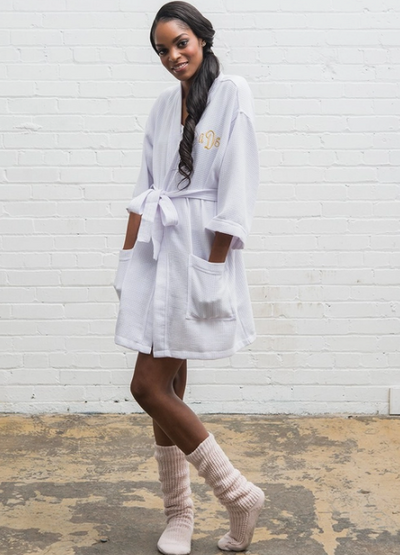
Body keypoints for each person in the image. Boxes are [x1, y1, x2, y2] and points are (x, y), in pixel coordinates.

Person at [113, 2, 263, 554]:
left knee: (146, 387)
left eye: (181, 42)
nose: (173, 56)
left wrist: (213, 267)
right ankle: (180, 514)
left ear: (201, 37)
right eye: (162, 50)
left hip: (198, 251)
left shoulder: (231, 93)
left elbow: (237, 186)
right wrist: (126, 261)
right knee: (168, 388)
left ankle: (238, 494)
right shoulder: (161, 106)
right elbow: (144, 187)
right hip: (157, 251)